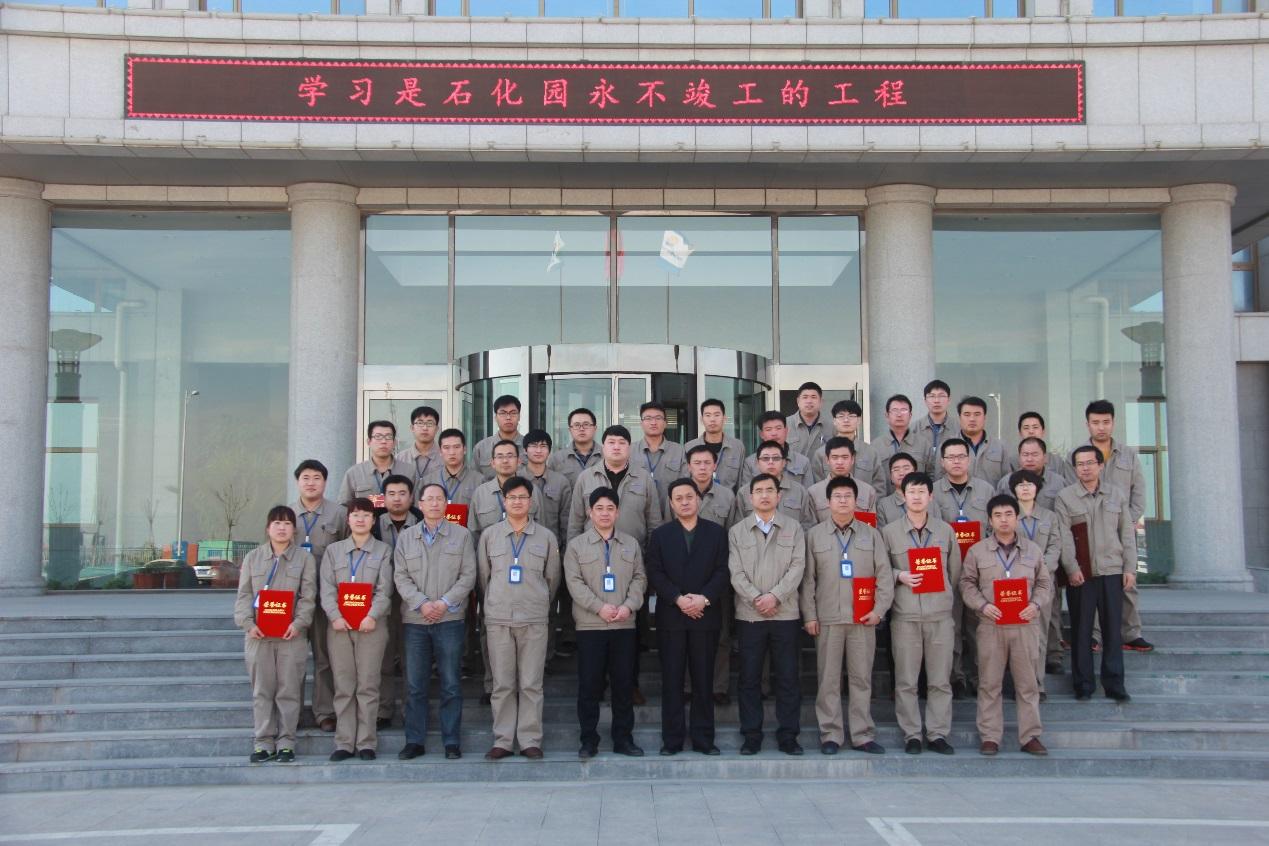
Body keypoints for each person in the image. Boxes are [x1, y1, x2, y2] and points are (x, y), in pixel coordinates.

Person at [801, 476, 894, 755]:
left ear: (856, 501)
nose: (843, 501)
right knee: (828, 680)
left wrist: (879, 611)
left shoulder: (871, 534)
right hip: (828, 618)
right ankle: (830, 734)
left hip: (862, 620)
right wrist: (810, 615)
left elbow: (884, 576)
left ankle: (862, 734)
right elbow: (808, 580)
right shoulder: (814, 535)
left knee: (861, 679)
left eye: (848, 496)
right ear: (828, 502)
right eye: (837, 496)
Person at [959, 494, 1051, 757]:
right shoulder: (978, 551)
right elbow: (966, 583)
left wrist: (1035, 604)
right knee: (989, 683)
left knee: (1027, 684)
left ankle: (1030, 736)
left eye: (1009, 514)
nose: (1003, 520)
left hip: (1024, 624)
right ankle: (990, 736)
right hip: (991, 625)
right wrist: (982, 605)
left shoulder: (1032, 550)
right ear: (990, 520)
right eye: (997, 515)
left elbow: (1045, 583)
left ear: (1017, 518)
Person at [478, 476, 562, 760]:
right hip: (499, 618)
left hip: (534, 618)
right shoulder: (490, 536)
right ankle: (503, 739)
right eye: (512, 497)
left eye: (522, 497)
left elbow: (552, 579)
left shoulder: (546, 537)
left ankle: (529, 739)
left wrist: (538, 602)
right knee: (502, 683)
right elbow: (483, 577)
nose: (517, 502)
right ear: (504, 501)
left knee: (531, 683)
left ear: (531, 501)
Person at [393, 482, 477, 761]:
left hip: (450, 619)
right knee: (415, 685)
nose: (434, 503)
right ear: (420, 504)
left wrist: (443, 603)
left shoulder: (461, 535)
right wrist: (421, 603)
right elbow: (400, 576)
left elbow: (468, 575)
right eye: (429, 499)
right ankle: (414, 741)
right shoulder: (407, 537)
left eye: (439, 499)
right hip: (415, 620)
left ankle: (451, 741)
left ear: (446, 503)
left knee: (451, 683)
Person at [646, 479, 730, 755]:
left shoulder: (717, 533)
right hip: (672, 617)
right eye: (678, 498)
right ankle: (672, 740)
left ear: (698, 500)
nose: (684, 502)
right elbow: (655, 572)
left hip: (705, 616)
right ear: (671, 504)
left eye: (689, 497)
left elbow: (723, 571)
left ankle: (704, 739)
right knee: (672, 681)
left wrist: (703, 598)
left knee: (703, 681)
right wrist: (678, 598)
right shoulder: (661, 535)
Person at [564, 487, 648, 758]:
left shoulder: (630, 544)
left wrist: (628, 606)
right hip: (591, 626)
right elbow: (574, 583)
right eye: (599, 508)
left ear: (617, 512)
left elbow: (640, 578)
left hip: (624, 625)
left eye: (610, 508)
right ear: (590, 513)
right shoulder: (576, 546)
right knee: (589, 686)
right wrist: (599, 607)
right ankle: (589, 740)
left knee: (623, 685)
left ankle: (623, 739)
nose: (604, 513)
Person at [882, 472, 961, 756]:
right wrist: (899, 575)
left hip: (940, 616)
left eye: (921, 492)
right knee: (906, 680)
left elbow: (954, 572)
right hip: (905, 616)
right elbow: (880, 570)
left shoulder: (945, 531)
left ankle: (938, 733)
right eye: (911, 492)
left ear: (931, 496)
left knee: (940, 680)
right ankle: (912, 734)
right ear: (903, 496)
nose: (916, 497)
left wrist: (945, 599)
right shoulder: (889, 532)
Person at [729, 473, 807, 756]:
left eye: (769, 490)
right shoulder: (737, 532)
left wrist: (775, 596)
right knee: (749, 678)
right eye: (759, 491)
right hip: (750, 616)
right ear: (750, 497)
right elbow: (735, 572)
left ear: (778, 495)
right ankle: (751, 735)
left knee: (787, 677)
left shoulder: (794, 528)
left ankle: (789, 736)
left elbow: (798, 567)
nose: (764, 495)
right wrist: (756, 598)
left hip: (785, 615)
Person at [233, 506, 316, 764]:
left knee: (289, 691)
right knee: (262, 691)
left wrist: (299, 623)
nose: (282, 528)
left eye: (287, 523)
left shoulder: (304, 559)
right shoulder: (253, 558)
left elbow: (308, 597)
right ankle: (263, 742)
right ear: (268, 528)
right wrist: (248, 623)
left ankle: (286, 742)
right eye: (277, 523)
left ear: (294, 530)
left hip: (291, 636)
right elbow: (244, 596)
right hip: (258, 636)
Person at [1055, 445, 1135, 704]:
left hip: (1112, 570)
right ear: (1074, 468)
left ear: (1101, 465)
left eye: (1090, 463)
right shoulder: (1066, 497)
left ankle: (1114, 684)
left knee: (1113, 630)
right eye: (1080, 464)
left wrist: (1130, 568)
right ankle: (1083, 684)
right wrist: (1072, 568)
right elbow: (1064, 536)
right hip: (1082, 574)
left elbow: (1127, 533)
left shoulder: (1116, 495)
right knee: (1081, 630)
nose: (1085, 468)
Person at [319, 498, 395, 761]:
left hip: (371, 626)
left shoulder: (383, 551)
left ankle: (366, 743)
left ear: (373, 521)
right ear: (348, 519)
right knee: (344, 685)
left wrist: (372, 616)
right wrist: (335, 616)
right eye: (355, 515)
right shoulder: (334, 551)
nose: (360, 519)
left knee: (368, 685)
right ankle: (344, 743)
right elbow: (327, 588)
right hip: (339, 626)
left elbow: (385, 589)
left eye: (366, 515)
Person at [1082, 399, 1154, 653]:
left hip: (1120, 530)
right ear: (1088, 424)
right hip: (1090, 530)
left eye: (1106, 422)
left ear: (1113, 423)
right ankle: (1094, 635)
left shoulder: (1128, 455)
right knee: (1092, 583)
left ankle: (1131, 633)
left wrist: (1128, 521)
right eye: (1095, 422)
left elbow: (1139, 491)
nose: (1101, 427)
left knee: (1127, 581)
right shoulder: (1080, 455)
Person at [934, 437, 996, 699]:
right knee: (952, 627)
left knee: (979, 627)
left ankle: (981, 678)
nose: (956, 462)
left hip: (980, 571)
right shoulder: (933, 492)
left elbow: (993, 529)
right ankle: (955, 677)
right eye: (951, 457)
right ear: (942, 462)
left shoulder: (985, 490)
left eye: (961, 456)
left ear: (969, 460)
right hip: (948, 571)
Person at [289, 459, 346, 734]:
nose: (311, 483)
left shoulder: (339, 514)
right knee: (294, 658)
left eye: (317, 478)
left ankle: (324, 712)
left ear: (325, 482)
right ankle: (293, 711)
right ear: (297, 482)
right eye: (306, 478)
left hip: (327, 597)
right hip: (295, 598)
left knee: (325, 657)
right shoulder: (287, 514)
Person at [685, 443, 740, 706]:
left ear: (715, 465)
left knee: (721, 635)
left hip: (718, 575)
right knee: (685, 635)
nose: (702, 468)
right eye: (697, 463)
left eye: (707, 463)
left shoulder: (727, 496)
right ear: (689, 466)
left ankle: (719, 686)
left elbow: (733, 536)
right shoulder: (679, 493)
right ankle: (687, 685)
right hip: (684, 575)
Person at [370, 474, 416, 730]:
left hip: (413, 598)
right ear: (383, 498)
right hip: (381, 597)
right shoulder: (373, 524)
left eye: (402, 493)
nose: (397, 499)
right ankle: (383, 709)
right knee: (383, 656)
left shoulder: (421, 521)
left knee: (412, 658)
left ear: (411, 497)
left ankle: (411, 710)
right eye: (391, 494)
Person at [1009, 469, 1063, 690]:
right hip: (1015, 583)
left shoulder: (1050, 517)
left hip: (1042, 583)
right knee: (1017, 637)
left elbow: (1055, 547)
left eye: (1029, 484)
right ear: (1013, 489)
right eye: (1020, 485)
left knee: (1039, 635)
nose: (1025, 488)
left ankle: (1037, 685)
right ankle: (1019, 685)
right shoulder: (1007, 515)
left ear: (1037, 488)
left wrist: (1039, 571)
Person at [524, 429, 575, 661]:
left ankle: (547, 656)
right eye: (533, 446)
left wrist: (564, 551)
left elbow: (567, 519)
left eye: (543, 446)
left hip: (553, 552)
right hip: (523, 553)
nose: (538, 450)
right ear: (525, 450)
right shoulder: (517, 480)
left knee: (550, 605)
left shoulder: (560, 481)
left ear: (549, 451)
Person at [735, 440, 818, 530]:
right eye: (765, 458)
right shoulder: (744, 492)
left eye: (776, 458)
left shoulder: (799, 491)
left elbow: (808, 524)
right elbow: (739, 527)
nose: (771, 462)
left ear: (784, 463)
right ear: (757, 463)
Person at [863, 395, 931, 494]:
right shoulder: (875, 446)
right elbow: (871, 479)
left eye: (904, 410)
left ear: (910, 415)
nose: (899, 414)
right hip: (885, 500)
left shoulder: (923, 444)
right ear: (887, 415)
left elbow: (931, 475)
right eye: (895, 410)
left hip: (917, 500)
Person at [808, 437, 879, 524]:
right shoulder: (813, 492)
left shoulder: (867, 491)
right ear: (827, 460)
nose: (840, 462)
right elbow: (811, 527)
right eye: (835, 457)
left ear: (852, 459)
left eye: (845, 457)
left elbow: (870, 528)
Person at [739, 411, 819, 489]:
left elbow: (807, 493)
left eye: (778, 428)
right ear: (762, 434)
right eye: (768, 429)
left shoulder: (803, 462)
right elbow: (747, 493)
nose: (774, 433)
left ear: (786, 431)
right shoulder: (750, 463)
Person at [338, 420, 413, 503]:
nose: (383, 441)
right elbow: (344, 505)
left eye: (388, 437)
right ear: (369, 442)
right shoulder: (354, 473)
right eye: (378, 437)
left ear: (394, 442)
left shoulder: (409, 471)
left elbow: (415, 504)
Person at [683, 398, 747, 492]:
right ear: (701, 419)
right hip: (700, 499)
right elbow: (686, 480)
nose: (712, 419)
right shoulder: (689, 447)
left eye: (717, 415)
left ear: (724, 418)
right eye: (708, 415)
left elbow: (741, 482)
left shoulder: (737, 446)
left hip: (728, 500)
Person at [634, 400, 686, 512]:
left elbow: (685, 485)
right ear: (641, 423)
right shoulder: (629, 451)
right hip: (638, 515)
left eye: (658, 418)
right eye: (648, 418)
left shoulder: (679, 451)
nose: (653, 422)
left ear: (665, 423)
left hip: (671, 513)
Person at [1001, 412, 1075, 488]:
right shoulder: (1012, 461)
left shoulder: (1056, 461)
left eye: (1035, 427)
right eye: (1026, 428)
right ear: (1020, 433)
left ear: (1043, 431)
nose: (1031, 431)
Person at [996, 435, 1067, 512]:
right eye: (1025, 455)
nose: (1029, 459)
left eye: (1035, 455)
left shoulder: (1059, 482)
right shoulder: (1005, 483)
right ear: (1019, 458)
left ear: (1045, 457)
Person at [421, 428, 483, 509]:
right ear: (440, 451)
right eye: (446, 448)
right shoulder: (428, 481)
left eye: (456, 447)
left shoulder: (479, 481)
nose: (452, 452)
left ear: (464, 449)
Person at [957, 397, 1009, 487]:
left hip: (991, 496)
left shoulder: (1000, 447)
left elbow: (1007, 481)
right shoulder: (947, 446)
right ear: (960, 418)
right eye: (967, 414)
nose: (972, 419)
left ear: (985, 417)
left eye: (977, 414)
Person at [912, 379, 960, 478]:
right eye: (932, 396)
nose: (936, 400)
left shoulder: (959, 428)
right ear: (925, 401)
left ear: (949, 400)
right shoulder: (913, 429)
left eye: (941, 396)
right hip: (920, 485)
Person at [812, 399, 869, 481]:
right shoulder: (821, 454)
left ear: (859, 420)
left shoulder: (871, 453)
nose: (846, 420)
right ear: (834, 421)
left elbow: (878, 485)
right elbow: (817, 485)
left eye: (851, 416)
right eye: (841, 416)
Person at [471, 394, 524, 481]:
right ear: (495, 417)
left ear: (519, 416)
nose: (508, 417)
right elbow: (474, 480)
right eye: (503, 413)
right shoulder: (481, 448)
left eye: (513, 413)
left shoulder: (529, 447)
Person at [547, 407, 602, 488]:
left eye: (586, 424)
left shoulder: (606, 456)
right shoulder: (556, 459)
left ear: (595, 428)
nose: (581, 429)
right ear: (570, 429)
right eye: (577, 425)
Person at [397, 405, 442, 491]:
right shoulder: (400, 459)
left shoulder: (445, 457)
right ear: (412, 428)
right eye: (420, 423)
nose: (425, 428)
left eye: (430, 423)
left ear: (436, 429)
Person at [786, 381, 828, 461]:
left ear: (821, 402)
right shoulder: (784, 424)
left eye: (813, 397)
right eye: (805, 397)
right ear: (798, 401)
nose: (809, 401)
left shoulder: (832, 427)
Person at [875, 453, 918, 528]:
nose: (901, 473)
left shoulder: (928, 501)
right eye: (896, 469)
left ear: (915, 472)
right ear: (891, 477)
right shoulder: (883, 505)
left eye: (906, 468)